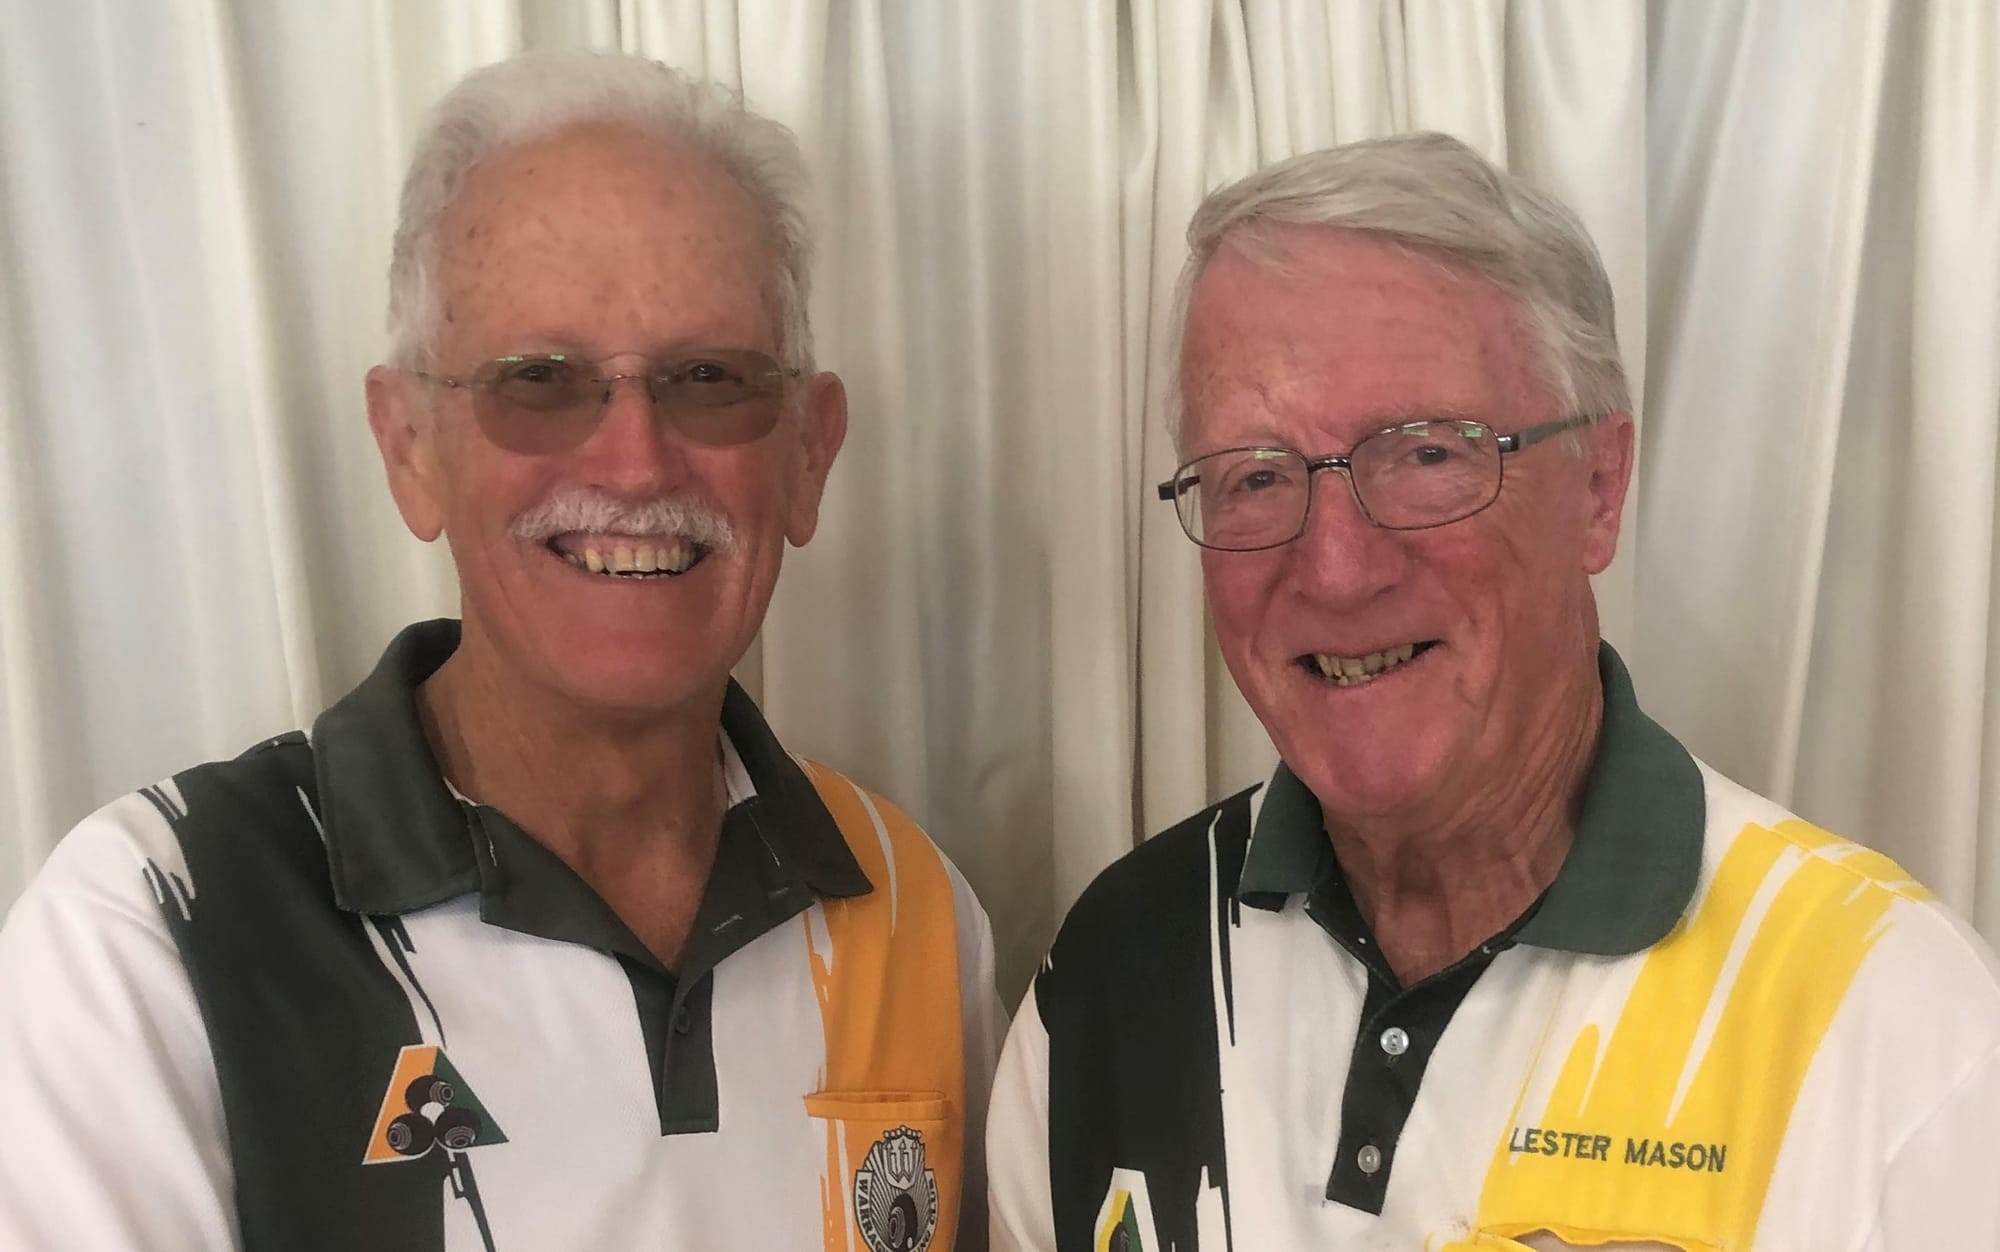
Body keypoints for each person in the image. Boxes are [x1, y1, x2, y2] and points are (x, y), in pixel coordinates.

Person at [0, 50, 999, 1252]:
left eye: (707, 378)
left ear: (808, 451)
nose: (635, 461)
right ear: (409, 445)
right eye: (538, 381)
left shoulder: (912, 904)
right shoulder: (151, 931)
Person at [986, 132, 2000, 1251]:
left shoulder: (1890, 1022)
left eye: (1426, 454)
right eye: (1255, 477)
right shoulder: (1111, 977)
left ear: (1597, 490)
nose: (1335, 567)